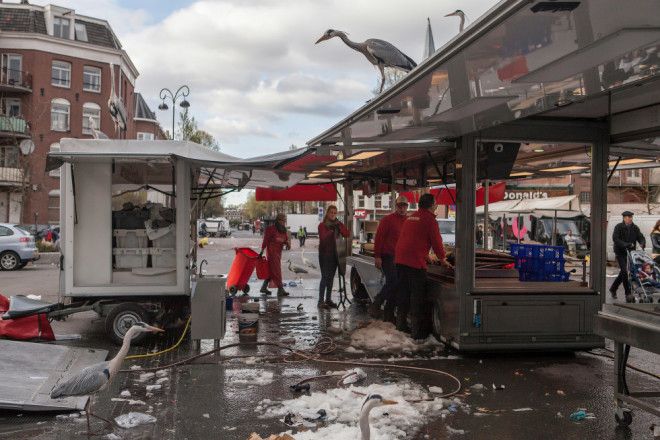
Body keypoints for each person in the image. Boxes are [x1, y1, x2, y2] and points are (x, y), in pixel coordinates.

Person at [394, 193, 451, 340]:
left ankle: (401, 325)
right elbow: (437, 242)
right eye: (435, 203)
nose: (436, 206)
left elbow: (411, 240)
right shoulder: (429, 220)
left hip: (400, 260)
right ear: (431, 205)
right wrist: (443, 259)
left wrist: (426, 255)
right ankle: (417, 332)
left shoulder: (411, 217)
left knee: (403, 294)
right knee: (417, 298)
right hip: (414, 263)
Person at [368, 195, 409, 322]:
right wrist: (377, 256)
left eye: (404, 206)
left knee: (396, 285)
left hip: (401, 258)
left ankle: (388, 313)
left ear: (407, 207)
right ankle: (377, 302)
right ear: (396, 206)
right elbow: (379, 238)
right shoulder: (387, 220)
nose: (402, 208)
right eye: (399, 206)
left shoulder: (408, 221)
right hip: (388, 255)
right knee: (393, 281)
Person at [317, 205, 349, 308]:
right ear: (327, 213)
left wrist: (340, 226)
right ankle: (320, 301)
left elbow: (347, 234)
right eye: (331, 212)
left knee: (331, 278)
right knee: (325, 277)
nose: (333, 215)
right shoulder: (322, 225)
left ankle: (328, 299)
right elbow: (323, 238)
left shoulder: (337, 224)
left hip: (335, 254)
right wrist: (332, 231)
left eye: (335, 213)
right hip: (325, 254)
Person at [610, 211, 646, 301]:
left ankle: (613, 288)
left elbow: (640, 237)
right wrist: (626, 244)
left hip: (630, 253)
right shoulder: (618, 227)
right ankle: (628, 293)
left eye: (631, 217)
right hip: (620, 252)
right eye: (628, 217)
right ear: (624, 218)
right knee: (625, 271)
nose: (630, 218)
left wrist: (642, 243)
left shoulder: (635, 227)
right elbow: (615, 238)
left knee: (624, 272)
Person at [260, 213, 291, 296]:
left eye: (284, 220)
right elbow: (266, 240)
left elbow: (285, 239)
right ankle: (280, 289)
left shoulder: (283, 230)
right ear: (278, 220)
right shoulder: (271, 229)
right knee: (277, 270)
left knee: (271, 270)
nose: (283, 222)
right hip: (271, 253)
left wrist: (287, 244)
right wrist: (262, 250)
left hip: (278, 252)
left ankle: (263, 287)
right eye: (282, 220)